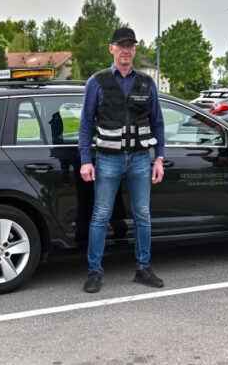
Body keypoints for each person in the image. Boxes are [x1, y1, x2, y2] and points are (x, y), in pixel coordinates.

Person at [79, 27, 166, 293]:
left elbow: (158, 123)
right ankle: (94, 271)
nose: (126, 50)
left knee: (143, 215)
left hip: (140, 158)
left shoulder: (146, 83)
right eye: (121, 45)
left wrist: (159, 158)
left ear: (135, 50)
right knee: (101, 215)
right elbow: (85, 125)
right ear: (112, 48)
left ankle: (144, 268)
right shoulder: (97, 81)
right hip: (108, 158)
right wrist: (86, 159)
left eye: (130, 46)